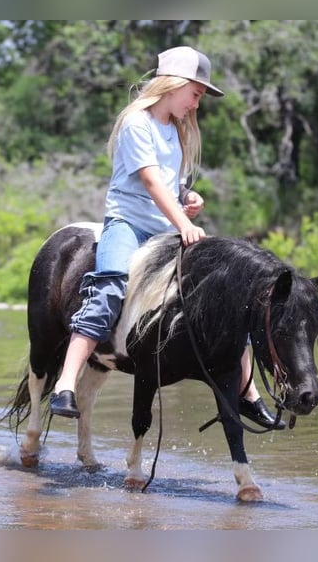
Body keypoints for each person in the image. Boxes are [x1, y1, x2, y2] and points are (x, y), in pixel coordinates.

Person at [50, 45, 285, 430]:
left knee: (223, 295)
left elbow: (168, 187)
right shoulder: (136, 123)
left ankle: (248, 393)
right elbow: (148, 180)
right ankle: (65, 384)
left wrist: (186, 200)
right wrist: (183, 224)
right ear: (173, 85)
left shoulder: (174, 132)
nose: (196, 104)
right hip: (128, 225)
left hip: (162, 230)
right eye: (195, 93)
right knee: (108, 290)